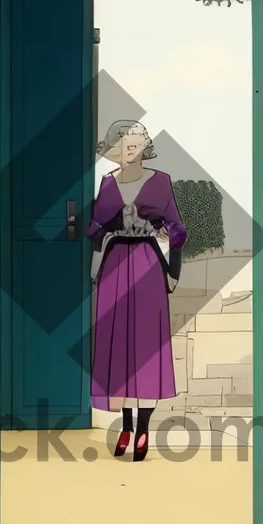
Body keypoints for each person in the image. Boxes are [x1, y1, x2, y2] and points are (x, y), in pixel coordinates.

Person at [89, 120, 186, 461]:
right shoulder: (107, 182)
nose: (128, 151)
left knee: (145, 348)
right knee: (120, 349)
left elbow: (177, 228)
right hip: (115, 265)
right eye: (122, 146)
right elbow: (94, 227)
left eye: (134, 145)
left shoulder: (160, 182)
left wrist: (173, 270)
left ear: (145, 146)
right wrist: (105, 230)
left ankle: (143, 429)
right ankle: (126, 425)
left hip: (146, 264)